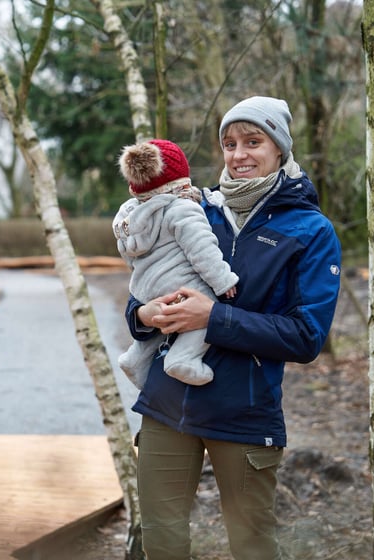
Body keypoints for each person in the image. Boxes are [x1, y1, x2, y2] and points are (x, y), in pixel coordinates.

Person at [125, 96, 342, 560]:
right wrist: (143, 316)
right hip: (166, 405)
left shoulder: (310, 230)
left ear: (279, 147)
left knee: (252, 546)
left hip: (243, 413)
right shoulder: (193, 207)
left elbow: (306, 337)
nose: (239, 153)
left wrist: (214, 319)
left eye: (252, 141)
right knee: (161, 543)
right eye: (229, 143)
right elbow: (144, 287)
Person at [112, 139, 238, 389]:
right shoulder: (183, 208)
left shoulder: (130, 215)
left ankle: (135, 358)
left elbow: (129, 256)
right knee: (208, 307)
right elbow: (202, 249)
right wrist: (224, 281)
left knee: (162, 320)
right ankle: (183, 358)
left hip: (144, 287)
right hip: (178, 284)